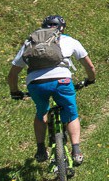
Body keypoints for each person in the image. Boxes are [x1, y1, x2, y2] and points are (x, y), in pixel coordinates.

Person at [7, 15, 96, 166]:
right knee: (71, 113)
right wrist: (90, 79)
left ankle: (41, 149)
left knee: (41, 112)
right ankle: (76, 151)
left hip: (36, 83)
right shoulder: (70, 40)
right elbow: (90, 67)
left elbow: (13, 74)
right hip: (62, 80)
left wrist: (15, 91)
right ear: (62, 28)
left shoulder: (31, 42)